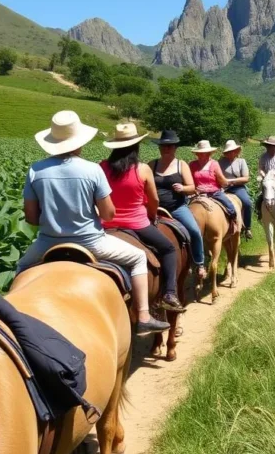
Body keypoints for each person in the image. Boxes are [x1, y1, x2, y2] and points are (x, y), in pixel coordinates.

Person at [17, 111, 169, 336]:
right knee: (138, 258)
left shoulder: (35, 170)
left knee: (21, 269)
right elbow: (108, 215)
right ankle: (144, 316)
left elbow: (30, 217)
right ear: (79, 140)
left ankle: (12, 321)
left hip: (46, 244)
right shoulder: (92, 169)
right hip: (91, 242)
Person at [99, 124, 184, 314]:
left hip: (105, 225)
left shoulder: (102, 166)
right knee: (169, 249)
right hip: (137, 223)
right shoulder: (143, 169)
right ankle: (169, 294)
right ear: (136, 146)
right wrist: (153, 215)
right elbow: (153, 200)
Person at [149, 130, 207, 281]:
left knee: (194, 230)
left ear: (175, 148)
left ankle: (199, 263)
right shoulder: (152, 165)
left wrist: (183, 188)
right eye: (163, 146)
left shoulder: (182, 165)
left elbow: (192, 187)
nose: (166, 149)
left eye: (170, 146)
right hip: (154, 208)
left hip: (177, 208)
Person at [188, 140, 240, 234]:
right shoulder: (192, 165)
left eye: (205, 153)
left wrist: (226, 182)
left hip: (213, 192)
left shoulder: (214, 164)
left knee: (230, 207)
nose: (203, 155)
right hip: (196, 193)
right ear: (197, 154)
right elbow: (188, 180)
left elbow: (221, 180)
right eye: (200, 153)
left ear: (209, 153)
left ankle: (233, 224)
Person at [220, 139, 253, 240]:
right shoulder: (220, 162)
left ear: (236, 151)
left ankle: (247, 227)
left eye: (232, 151)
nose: (231, 153)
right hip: (223, 188)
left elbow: (246, 178)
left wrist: (231, 181)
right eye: (228, 152)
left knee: (247, 203)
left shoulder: (241, 161)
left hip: (237, 188)